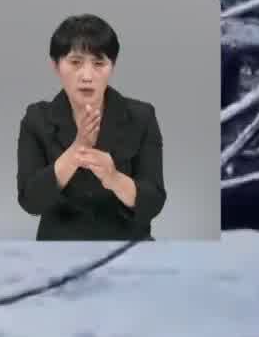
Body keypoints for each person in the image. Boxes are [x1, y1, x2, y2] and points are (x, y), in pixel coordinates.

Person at [16, 13, 167, 240]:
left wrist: (114, 178)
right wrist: (75, 153)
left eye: (99, 63)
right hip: (58, 250)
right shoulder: (37, 119)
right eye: (75, 62)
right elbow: (30, 201)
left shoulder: (142, 116)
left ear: (112, 66)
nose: (87, 76)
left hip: (127, 249)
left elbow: (154, 202)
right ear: (56, 66)